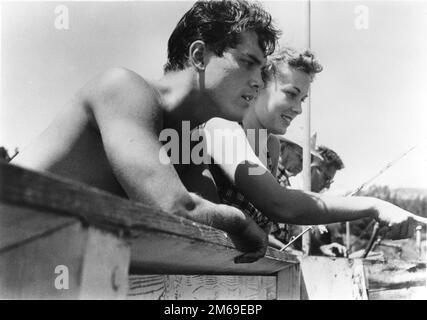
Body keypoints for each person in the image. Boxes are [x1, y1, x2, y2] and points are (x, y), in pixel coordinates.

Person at [11, 0, 281, 261]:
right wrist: (242, 223)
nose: (258, 82)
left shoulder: (189, 136)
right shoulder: (123, 88)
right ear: (199, 56)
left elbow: (206, 227)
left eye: (262, 70)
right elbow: (175, 209)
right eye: (247, 62)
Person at [191, 46, 427, 255]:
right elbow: (280, 204)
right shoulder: (222, 127)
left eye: (302, 99)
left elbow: (265, 225)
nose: (298, 110)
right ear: (258, 86)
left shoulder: (271, 147)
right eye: (291, 94)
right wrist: (374, 205)